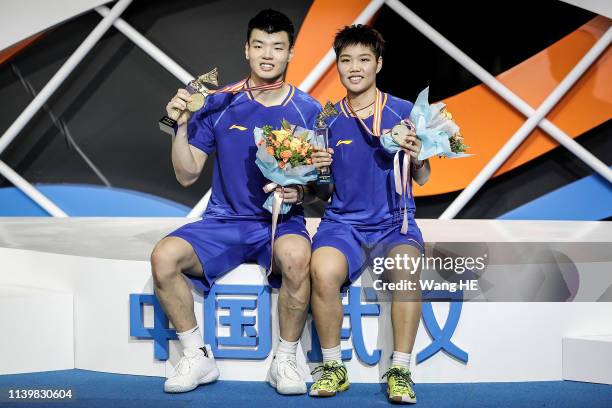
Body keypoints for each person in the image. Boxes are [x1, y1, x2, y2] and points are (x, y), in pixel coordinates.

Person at [150, 9, 321, 395]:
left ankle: (286, 359)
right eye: (259, 45)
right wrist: (179, 126)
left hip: (281, 222)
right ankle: (197, 356)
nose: (267, 54)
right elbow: (187, 173)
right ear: (246, 49)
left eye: (277, 47)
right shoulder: (217, 102)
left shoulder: (308, 110)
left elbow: (319, 188)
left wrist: (301, 193)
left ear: (291, 54)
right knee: (164, 257)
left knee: (297, 258)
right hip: (223, 222)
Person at [309, 24, 430, 404]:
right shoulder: (324, 120)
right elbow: (320, 192)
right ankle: (332, 366)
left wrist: (417, 154)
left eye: (364, 59)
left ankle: (400, 370)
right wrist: (317, 170)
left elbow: (423, 178)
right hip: (342, 224)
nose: (355, 67)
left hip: (396, 224)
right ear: (338, 66)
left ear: (378, 63)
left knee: (407, 271)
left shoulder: (404, 111)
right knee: (322, 270)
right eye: (346, 60)